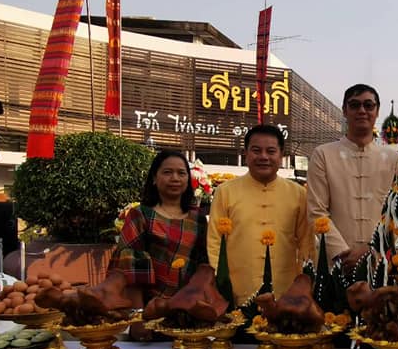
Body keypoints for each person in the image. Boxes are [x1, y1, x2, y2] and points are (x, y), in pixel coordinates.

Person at [207, 125, 312, 304]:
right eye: (256, 151)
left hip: (285, 294)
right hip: (237, 292)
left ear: (281, 155)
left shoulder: (299, 194)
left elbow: (306, 243)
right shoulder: (225, 191)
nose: (263, 157)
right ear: (246, 154)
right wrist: (220, 282)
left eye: (271, 151)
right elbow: (214, 241)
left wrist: (303, 285)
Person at [306, 84, 398, 268]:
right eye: (354, 105)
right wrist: (341, 253)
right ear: (345, 111)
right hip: (337, 263)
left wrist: (374, 250)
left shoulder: (393, 159)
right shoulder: (323, 155)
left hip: (382, 262)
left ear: (377, 111)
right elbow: (316, 212)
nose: (362, 111)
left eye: (368, 105)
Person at [111, 150, 208, 305]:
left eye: (181, 173)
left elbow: (204, 267)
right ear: (154, 178)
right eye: (167, 172)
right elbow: (130, 269)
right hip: (149, 308)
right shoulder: (141, 215)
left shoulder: (198, 220)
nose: (175, 178)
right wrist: (138, 314)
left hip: (188, 306)